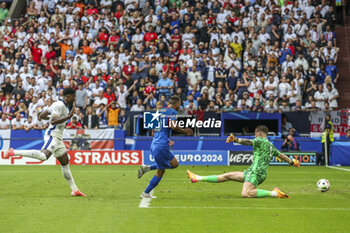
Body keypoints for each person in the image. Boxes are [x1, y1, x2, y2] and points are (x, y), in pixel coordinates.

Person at [4, 88, 86, 197]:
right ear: (69, 96)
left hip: (58, 138)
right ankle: (14, 152)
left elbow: (42, 115)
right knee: (43, 156)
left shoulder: (57, 104)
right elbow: (53, 121)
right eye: (74, 96)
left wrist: (56, 117)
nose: (75, 98)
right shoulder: (60, 106)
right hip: (53, 135)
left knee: (65, 163)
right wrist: (67, 117)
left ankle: (74, 190)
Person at [187, 125, 300, 198]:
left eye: (255, 135)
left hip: (255, 172)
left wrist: (236, 139)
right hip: (257, 172)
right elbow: (282, 156)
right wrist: (292, 162)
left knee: (245, 194)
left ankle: (275, 193)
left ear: (260, 134)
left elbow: (248, 142)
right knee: (228, 175)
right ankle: (198, 178)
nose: (255, 137)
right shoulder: (271, 146)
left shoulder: (260, 140)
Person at [137, 96, 193, 199]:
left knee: (175, 164)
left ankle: (147, 168)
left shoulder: (159, 110)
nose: (180, 106)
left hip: (155, 143)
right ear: (177, 104)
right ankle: (145, 193)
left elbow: (153, 130)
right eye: (179, 104)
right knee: (160, 171)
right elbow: (173, 125)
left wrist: (165, 139)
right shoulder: (173, 112)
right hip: (161, 146)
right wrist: (185, 131)